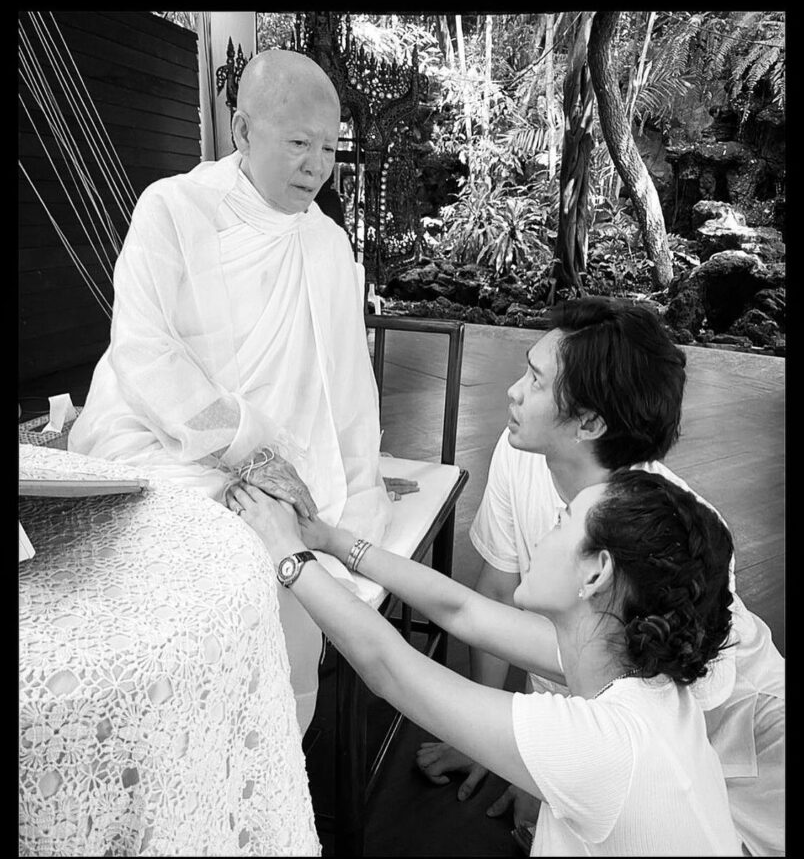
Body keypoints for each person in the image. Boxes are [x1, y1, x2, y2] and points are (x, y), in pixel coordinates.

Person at [69, 49, 414, 731]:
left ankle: (269, 743)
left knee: (286, 545)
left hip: (285, 453)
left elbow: (349, 387)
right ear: (242, 130)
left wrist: (358, 479)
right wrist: (243, 449)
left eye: (329, 148)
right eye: (298, 144)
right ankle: (168, 727)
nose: (317, 167)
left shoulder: (326, 244)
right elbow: (143, 348)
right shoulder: (174, 208)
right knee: (190, 544)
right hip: (162, 437)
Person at [414, 297, 784, 857]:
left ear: (588, 423)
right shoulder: (522, 451)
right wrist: (489, 743)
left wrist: (543, 774)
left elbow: (659, 710)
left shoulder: (676, 533)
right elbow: (495, 591)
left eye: (535, 381)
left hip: (733, 738)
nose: (513, 392)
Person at [231, 468, 743, 856]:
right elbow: (464, 611)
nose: (544, 533)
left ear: (596, 575)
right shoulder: (631, 665)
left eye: (562, 521)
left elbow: (389, 669)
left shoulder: (607, 748)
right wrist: (326, 539)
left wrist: (286, 552)